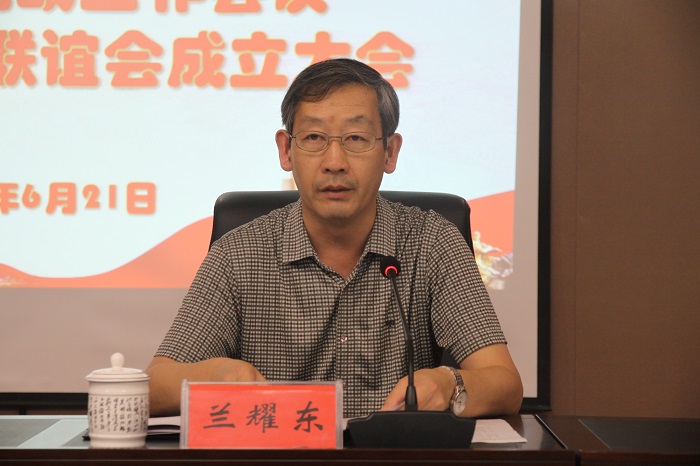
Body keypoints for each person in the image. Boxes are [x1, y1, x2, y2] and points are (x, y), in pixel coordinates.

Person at [146, 58, 523, 419]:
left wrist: (449, 384)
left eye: (356, 138)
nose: (335, 162)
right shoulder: (240, 254)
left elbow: (504, 384)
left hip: (391, 453)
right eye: (314, 137)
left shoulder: (432, 242)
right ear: (286, 150)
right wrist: (212, 376)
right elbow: (153, 387)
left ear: (389, 152)